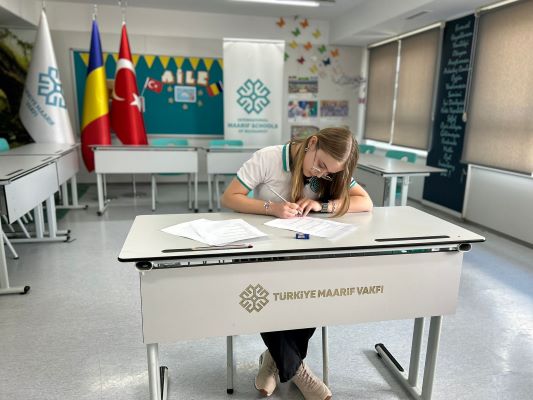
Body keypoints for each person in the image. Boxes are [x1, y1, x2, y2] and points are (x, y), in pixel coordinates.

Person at [221, 127, 373, 400]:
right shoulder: (268, 158)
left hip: (305, 252)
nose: (320, 174)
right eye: (320, 164)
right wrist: (271, 208)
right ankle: (297, 370)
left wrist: (322, 206)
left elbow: (365, 202)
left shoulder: (331, 169)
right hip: (264, 253)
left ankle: (274, 359)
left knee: (315, 289)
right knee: (268, 291)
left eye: (328, 172)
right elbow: (230, 197)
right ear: (312, 143)